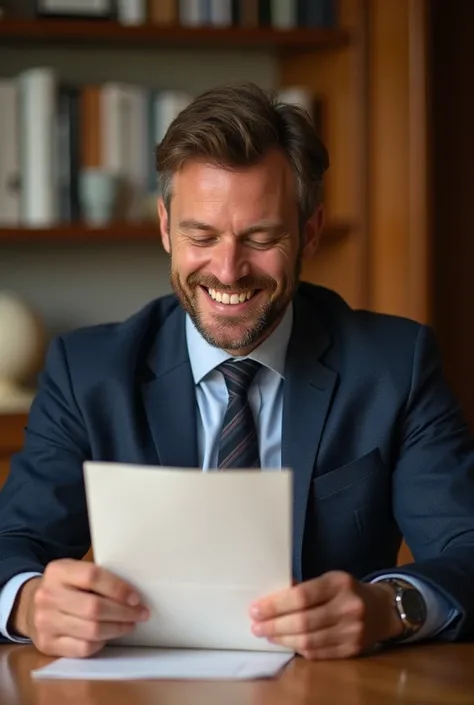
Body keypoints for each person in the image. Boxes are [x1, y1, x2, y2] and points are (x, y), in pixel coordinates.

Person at [1, 82, 473, 661]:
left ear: (311, 232)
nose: (228, 271)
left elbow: (467, 548)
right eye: (201, 236)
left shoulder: (395, 364)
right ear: (164, 227)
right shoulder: (88, 371)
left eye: (261, 237)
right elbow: (13, 544)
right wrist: (29, 602)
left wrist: (392, 607)